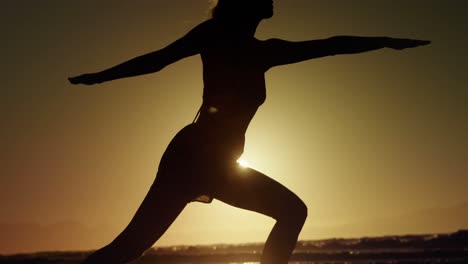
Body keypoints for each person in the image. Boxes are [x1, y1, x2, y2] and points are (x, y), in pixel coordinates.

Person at [69, 0, 430, 263]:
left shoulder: (263, 52)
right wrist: (100, 77)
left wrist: (382, 40)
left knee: (129, 247)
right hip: (196, 156)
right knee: (131, 246)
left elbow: (330, 46)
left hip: (215, 160)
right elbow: (159, 59)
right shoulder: (214, 35)